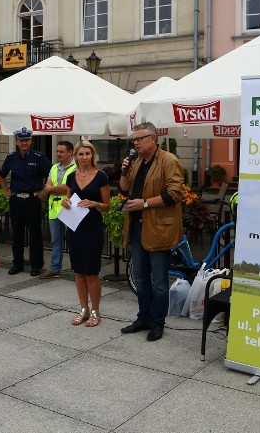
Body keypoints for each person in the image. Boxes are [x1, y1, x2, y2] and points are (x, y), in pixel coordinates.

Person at [118, 122, 184, 341]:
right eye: (134, 139)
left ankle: (157, 323)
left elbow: (174, 194)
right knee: (140, 278)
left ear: (153, 139)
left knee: (159, 282)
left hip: (158, 229)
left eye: (140, 138)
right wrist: (124, 171)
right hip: (137, 226)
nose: (135, 142)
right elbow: (124, 189)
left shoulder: (169, 160)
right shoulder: (137, 162)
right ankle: (143, 318)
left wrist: (144, 204)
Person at [62, 140, 110, 327]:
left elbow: (107, 206)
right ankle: (83, 309)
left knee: (91, 272)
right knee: (78, 271)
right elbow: (67, 199)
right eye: (80, 154)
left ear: (92, 155)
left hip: (92, 228)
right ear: (75, 156)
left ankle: (96, 311)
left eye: (87, 154)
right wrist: (64, 203)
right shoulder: (71, 177)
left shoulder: (101, 176)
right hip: (74, 227)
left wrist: (95, 204)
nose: (84, 157)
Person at [0, 127, 51, 276]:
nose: (24, 143)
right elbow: (2, 175)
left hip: (33, 200)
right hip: (16, 200)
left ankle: (36, 265)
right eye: (21, 140)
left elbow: (52, 173)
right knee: (17, 234)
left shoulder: (38, 157)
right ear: (16, 141)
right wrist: (6, 192)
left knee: (35, 234)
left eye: (27, 140)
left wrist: (44, 191)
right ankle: (18, 264)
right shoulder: (11, 157)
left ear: (31, 141)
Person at [39, 141, 76, 279]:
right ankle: (54, 268)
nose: (58, 154)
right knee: (56, 241)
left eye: (61, 151)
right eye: (57, 151)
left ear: (70, 153)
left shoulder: (76, 168)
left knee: (73, 240)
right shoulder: (54, 167)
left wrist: (53, 189)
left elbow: (68, 188)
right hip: (54, 210)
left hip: (70, 208)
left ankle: (76, 267)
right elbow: (46, 188)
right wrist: (57, 189)